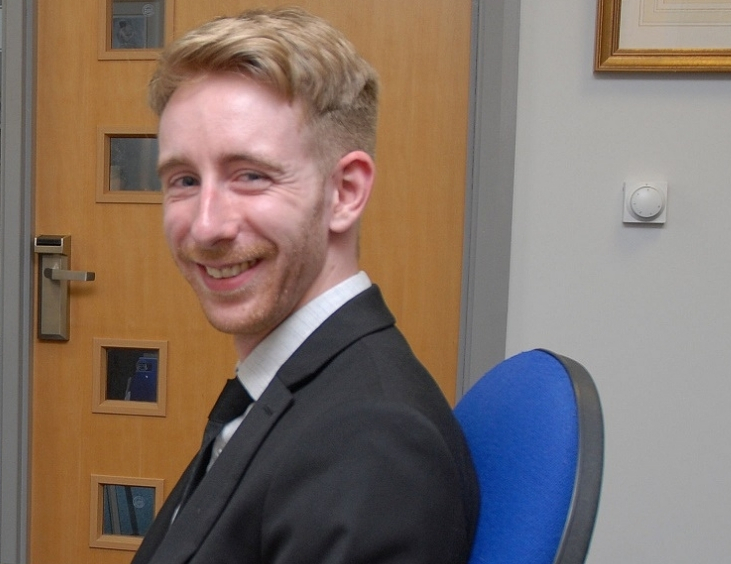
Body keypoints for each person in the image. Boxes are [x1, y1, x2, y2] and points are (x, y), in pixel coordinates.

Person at [130, 8, 480, 564]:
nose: (205, 225)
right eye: (184, 181)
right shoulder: (293, 387)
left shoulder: (371, 442)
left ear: (345, 192)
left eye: (251, 175)